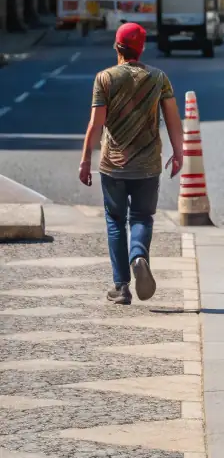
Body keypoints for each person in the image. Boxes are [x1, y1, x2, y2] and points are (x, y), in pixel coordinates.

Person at [78, 22, 184, 305]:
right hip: (148, 164)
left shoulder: (105, 78)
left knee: (115, 221)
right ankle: (139, 256)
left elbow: (95, 124)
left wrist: (85, 160)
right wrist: (179, 152)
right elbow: (173, 119)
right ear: (142, 48)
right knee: (141, 217)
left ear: (117, 47)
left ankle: (121, 287)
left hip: (113, 164)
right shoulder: (159, 78)